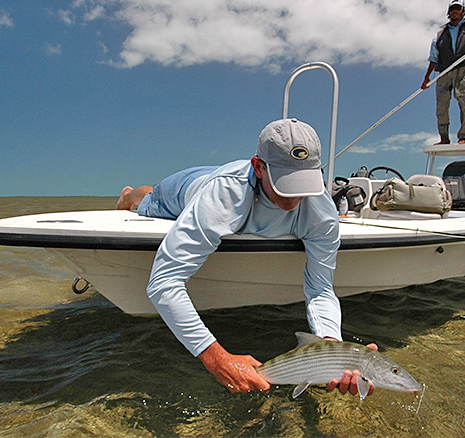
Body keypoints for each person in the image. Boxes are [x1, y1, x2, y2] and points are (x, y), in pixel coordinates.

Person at [116, 118, 375, 396]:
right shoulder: (222, 197)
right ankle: (129, 193)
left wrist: (331, 349)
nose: (298, 195)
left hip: (230, 178)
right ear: (258, 166)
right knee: (147, 199)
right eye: (285, 182)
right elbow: (164, 281)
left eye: (304, 182)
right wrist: (216, 358)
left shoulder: (320, 209)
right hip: (190, 188)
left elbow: (321, 288)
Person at [420, 0, 465, 145]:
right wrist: (426, 78)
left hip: (462, 69)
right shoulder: (439, 34)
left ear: (463, 11)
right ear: (448, 12)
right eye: (452, 9)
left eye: (457, 8)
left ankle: (464, 137)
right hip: (444, 71)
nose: (454, 11)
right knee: (441, 106)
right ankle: (444, 139)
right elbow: (433, 58)